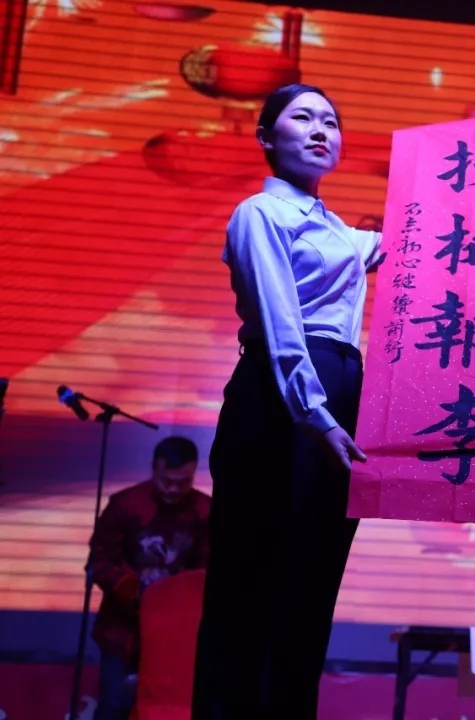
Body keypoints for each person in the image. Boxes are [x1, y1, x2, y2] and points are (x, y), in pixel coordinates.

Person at [191, 83, 383, 720]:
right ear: (266, 138)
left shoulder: (341, 233)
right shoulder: (260, 213)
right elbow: (279, 325)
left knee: (312, 581)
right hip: (283, 397)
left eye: (331, 120)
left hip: (340, 393)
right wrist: (314, 414)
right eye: (302, 118)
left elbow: (412, 244)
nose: (321, 130)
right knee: (252, 578)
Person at [88, 435, 209, 720]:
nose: (174, 489)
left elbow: (208, 572)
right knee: (114, 705)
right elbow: (99, 562)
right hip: (122, 628)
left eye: (183, 482)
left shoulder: (205, 512)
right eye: (167, 481)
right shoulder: (125, 505)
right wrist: (133, 589)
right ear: (154, 469)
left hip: (177, 633)